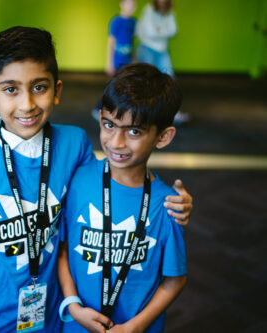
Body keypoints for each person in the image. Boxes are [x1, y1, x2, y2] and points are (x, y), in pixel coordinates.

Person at [0, 26, 193, 333]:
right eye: (10, 89)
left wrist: (172, 201)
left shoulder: (75, 144)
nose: (27, 104)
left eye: (39, 87)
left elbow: (115, 182)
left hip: (56, 314)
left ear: (57, 90)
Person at [58, 63, 187, 333]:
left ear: (163, 137)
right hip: (77, 324)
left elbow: (173, 280)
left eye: (134, 131)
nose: (116, 142)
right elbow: (63, 248)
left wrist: (135, 327)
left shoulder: (168, 205)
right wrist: (72, 306)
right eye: (109, 125)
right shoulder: (77, 180)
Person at [135, 0, 189, 125]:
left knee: (170, 80)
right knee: (146, 82)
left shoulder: (170, 11)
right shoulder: (149, 9)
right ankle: (143, 114)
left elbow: (174, 30)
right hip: (146, 48)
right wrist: (163, 31)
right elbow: (148, 32)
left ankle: (173, 113)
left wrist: (158, 30)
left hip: (162, 50)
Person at [92, 0, 137, 121]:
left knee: (126, 87)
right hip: (117, 61)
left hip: (128, 61)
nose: (131, 7)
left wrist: (134, 59)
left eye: (134, 4)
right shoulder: (116, 21)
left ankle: (123, 112)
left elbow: (131, 42)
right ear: (121, 4)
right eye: (128, 4)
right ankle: (98, 109)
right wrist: (109, 62)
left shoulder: (133, 22)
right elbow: (111, 42)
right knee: (114, 87)